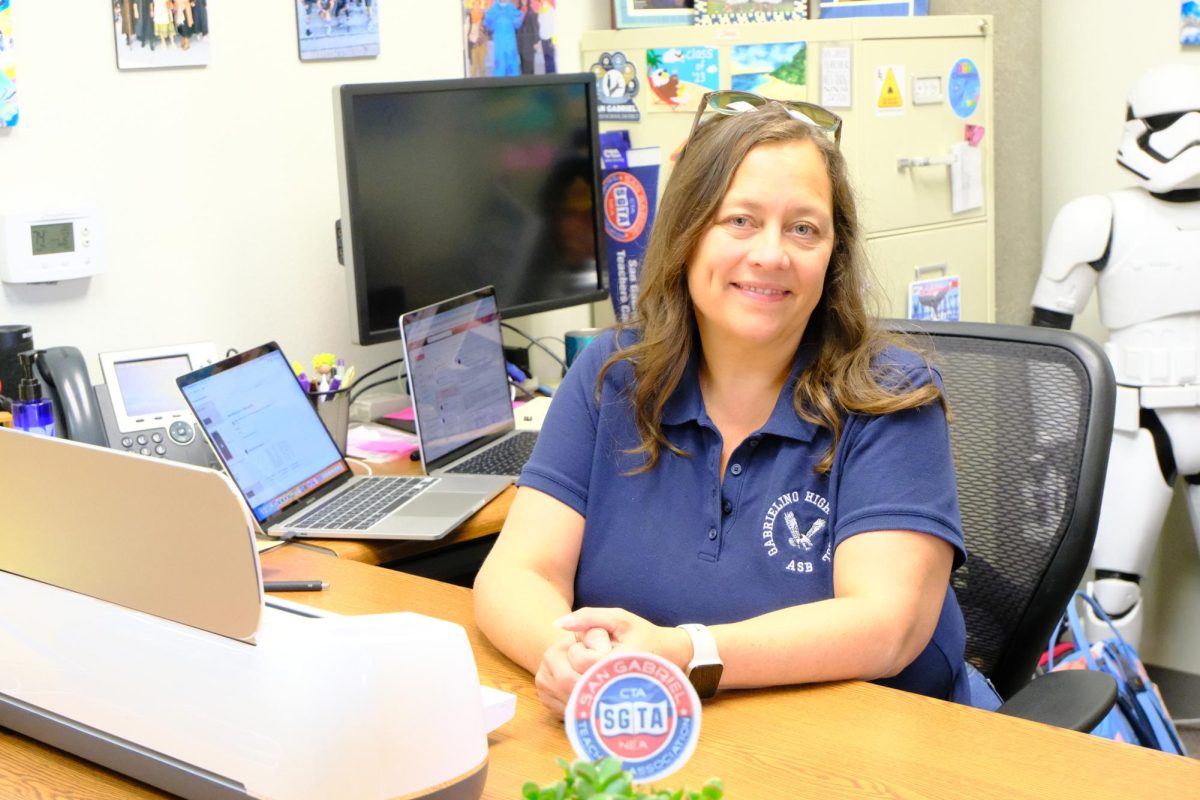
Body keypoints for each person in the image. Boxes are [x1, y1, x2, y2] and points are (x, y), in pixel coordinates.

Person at [474, 91, 980, 717]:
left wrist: (683, 655)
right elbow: (514, 574)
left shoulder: (888, 396)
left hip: (875, 747)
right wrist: (570, 658)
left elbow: (887, 628)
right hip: (669, 733)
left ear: (833, 256)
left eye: (804, 228)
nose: (770, 254)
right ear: (687, 234)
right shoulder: (612, 377)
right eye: (739, 220)